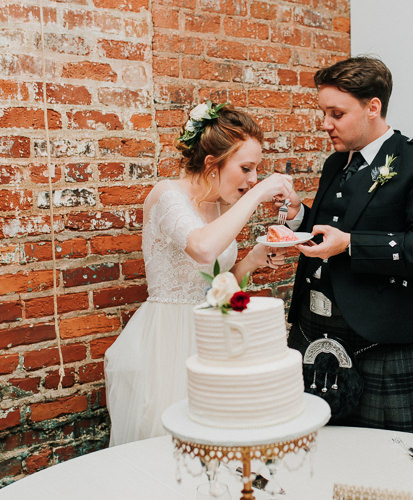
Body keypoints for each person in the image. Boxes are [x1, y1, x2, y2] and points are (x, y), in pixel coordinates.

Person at [280, 56, 413, 435]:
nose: (325, 123)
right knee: (313, 457)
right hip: (314, 333)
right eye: (323, 112)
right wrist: (299, 218)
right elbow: (333, 231)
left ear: (373, 106)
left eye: (336, 113)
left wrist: (350, 245)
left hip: (379, 343)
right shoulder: (335, 163)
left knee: (388, 472)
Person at [104, 102, 294, 446]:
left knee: (221, 443)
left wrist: (252, 259)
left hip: (212, 334)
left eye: (257, 171)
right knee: (172, 445)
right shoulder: (168, 196)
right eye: (247, 168)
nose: (252, 179)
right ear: (211, 164)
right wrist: (260, 193)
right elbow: (202, 248)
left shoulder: (219, 205)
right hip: (169, 341)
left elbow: (218, 285)